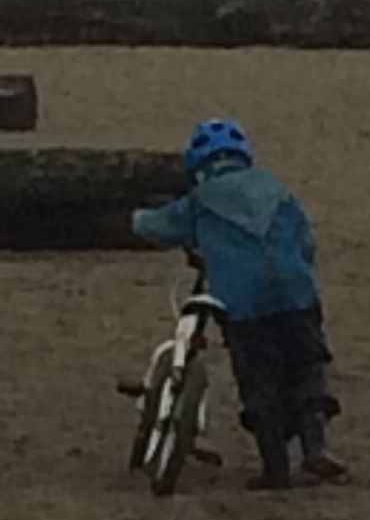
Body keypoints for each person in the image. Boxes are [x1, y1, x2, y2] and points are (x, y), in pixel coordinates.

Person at [132, 117, 344, 491]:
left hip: (246, 304)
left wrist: (135, 217)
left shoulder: (201, 201)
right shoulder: (276, 188)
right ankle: (315, 449)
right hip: (296, 294)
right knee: (307, 368)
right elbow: (306, 241)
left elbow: (159, 226)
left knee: (260, 381)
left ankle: (275, 469)